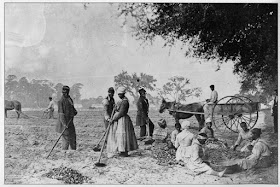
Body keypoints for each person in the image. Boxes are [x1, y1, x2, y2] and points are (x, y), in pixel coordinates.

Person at [107, 87, 138, 157]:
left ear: (123, 94)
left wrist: (114, 119)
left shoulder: (125, 101)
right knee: (120, 135)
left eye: (120, 94)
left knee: (122, 135)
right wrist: (115, 109)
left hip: (122, 120)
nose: (119, 95)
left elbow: (121, 113)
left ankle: (124, 151)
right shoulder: (122, 101)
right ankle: (121, 150)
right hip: (119, 119)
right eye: (118, 94)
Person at [55, 86, 78, 150]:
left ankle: (73, 151)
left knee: (73, 137)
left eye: (66, 92)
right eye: (63, 92)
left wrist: (74, 111)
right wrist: (64, 124)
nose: (64, 94)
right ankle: (64, 152)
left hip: (70, 122)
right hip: (64, 123)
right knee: (66, 138)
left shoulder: (70, 99)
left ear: (68, 92)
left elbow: (72, 108)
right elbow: (61, 114)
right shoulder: (60, 101)